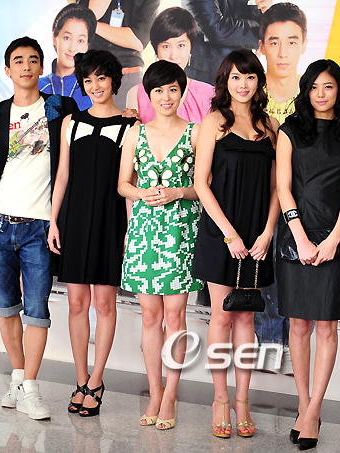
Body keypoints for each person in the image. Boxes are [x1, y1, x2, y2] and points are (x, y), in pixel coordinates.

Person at [0, 36, 78, 419]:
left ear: (41, 67)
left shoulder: (60, 108)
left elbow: (90, 126)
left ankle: (30, 388)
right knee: (5, 309)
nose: (26, 66)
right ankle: (18, 378)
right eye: (18, 60)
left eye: (33, 60)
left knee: (36, 310)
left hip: (39, 228)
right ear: (7, 69)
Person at [277, 59, 340, 450]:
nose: (321, 94)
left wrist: (332, 240)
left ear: (339, 90)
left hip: (335, 240)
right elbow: (283, 188)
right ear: (306, 91)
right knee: (298, 326)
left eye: (328, 86)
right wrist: (300, 236)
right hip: (296, 236)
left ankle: (314, 411)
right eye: (314, 86)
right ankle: (304, 406)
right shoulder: (289, 130)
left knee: (327, 327)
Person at [192, 49, 279, 438]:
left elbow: (278, 187)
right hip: (221, 233)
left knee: (247, 316)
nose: (243, 85)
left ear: (259, 82)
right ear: (225, 82)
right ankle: (220, 399)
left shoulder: (271, 126)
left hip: (257, 236)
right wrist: (228, 233)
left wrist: (268, 232)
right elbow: (201, 184)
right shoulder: (214, 122)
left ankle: (243, 401)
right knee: (222, 316)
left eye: (250, 77)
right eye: (235, 78)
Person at [47, 49, 136, 417]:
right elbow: (62, 175)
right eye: (88, 80)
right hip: (74, 220)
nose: (96, 85)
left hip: (111, 220)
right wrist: (54, 221)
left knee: (104, 304)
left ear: (114, 80)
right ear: (82, 85)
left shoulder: (131, 125)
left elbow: (129, 184)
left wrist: (129, 231)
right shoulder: (70, 123)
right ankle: (81, 378)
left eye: (102, 78)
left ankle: (97, 381)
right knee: (76, 304)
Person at [119, 60, 203, 430]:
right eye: (158, 90)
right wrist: (142, 193)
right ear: (148, 94)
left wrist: (177, 192)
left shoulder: (196, 133)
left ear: (182, 91)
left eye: (172, 89)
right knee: (150, 317)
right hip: (144, 233)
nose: (166, 96)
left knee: (175, 317)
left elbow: (203, 187)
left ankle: (171, 395)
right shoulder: (136, 133)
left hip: (181, 232)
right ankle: (154, 393)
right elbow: (123, 184)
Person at [254, 1, 308, 375]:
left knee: (295, 275)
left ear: (304, 44)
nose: (283, 52)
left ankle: (293, 349)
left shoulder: (315, 96)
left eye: (291, 41)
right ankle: (268, 347)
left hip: (302, 202)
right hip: (258, 200)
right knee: (262, 274)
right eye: (274, 42)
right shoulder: (248, 93)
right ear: (262, 46)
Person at [127, 7, 214, 124]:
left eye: (181, 45)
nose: (173, 56)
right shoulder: (137, 93)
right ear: (156, 49)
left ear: (190, 47)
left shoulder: (209, 94)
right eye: (166, 46)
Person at [77, 0, 160, 110]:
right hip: (91, 78)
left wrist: (93, 25)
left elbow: (139, 40)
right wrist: (88, 22)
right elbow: (85, 19)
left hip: (127, 78)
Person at [182, 0, 273, 85]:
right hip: (210, 73)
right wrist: (260, 34)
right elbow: (216, 29)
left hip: (243, 68)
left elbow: (257, 16)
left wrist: (267, 10)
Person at [39, 3, 97, 110]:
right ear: (54, 38)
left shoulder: (94, 92)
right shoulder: (36, 87)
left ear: (87, 45)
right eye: (67, 38)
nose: (72, 48)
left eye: (80, 41)